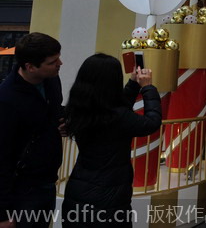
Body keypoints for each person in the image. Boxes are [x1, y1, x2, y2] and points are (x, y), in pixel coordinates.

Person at [61, 54, 161, 228]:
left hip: (78, 189)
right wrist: (148, 88)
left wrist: (132, 85)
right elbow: (151, 123)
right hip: (110, 196)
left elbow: (115, 107)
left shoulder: (78, 109)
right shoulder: (118, 117)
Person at [0, 32, 64, 228]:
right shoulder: (7, 100)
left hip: (47, 181)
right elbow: (2, 157)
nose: (60, 63)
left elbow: (51, 112)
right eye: (53, 61)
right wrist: (3, 213)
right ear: (30, 67)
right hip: (22, 191)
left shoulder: (52, 80)